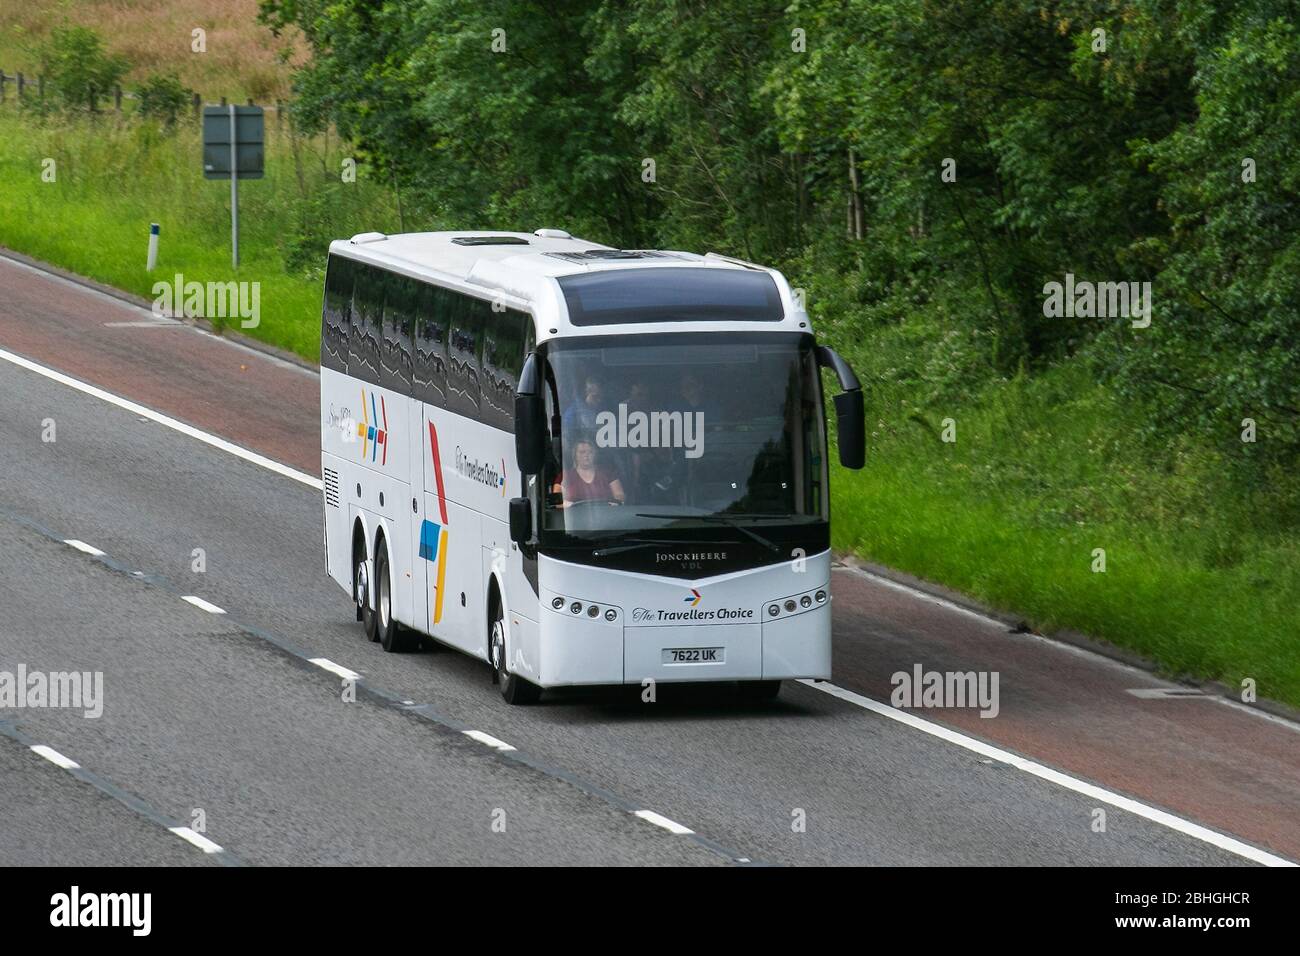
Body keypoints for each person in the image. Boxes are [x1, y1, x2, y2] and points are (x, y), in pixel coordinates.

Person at [554, 438, 625, 506]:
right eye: (582, 452)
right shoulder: (565, 476)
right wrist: (570, 505)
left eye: (590, 452)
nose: (586, 455)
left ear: (595, 454)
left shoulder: (608, 473)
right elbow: (557, 502)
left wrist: (613, 504)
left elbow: (619, 495)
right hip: (573, 514)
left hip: (606, 513)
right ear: (575, 454)